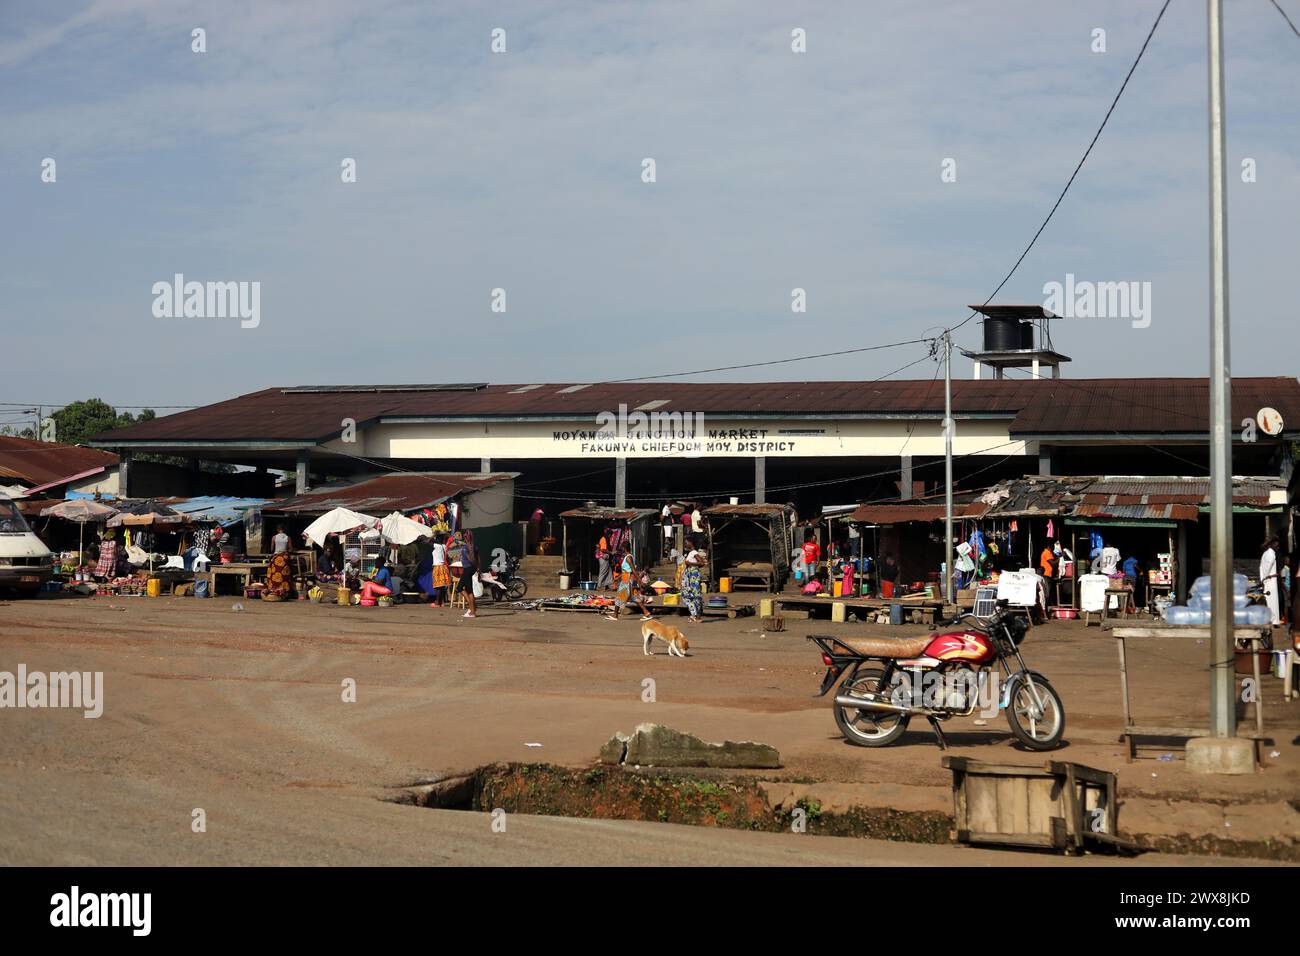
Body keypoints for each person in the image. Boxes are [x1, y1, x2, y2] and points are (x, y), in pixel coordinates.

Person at [606, 540, 653, 621]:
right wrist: (618, 577)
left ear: (624, 548)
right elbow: (626, 570)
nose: (621, 549)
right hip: (626, 578)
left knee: (619, 597)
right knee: (635, 597)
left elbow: (633, 570)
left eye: (622, 547)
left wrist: (640, 581)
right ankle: (646, 613)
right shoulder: (627, 557)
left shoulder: (628, 558)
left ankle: (615, 615)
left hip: (627, 580)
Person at [681, 536, 705, 622]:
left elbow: (702, 563)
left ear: (691, 543)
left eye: (686, 542)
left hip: (693, 575)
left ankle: (697, 616)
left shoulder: (694, 552)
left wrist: (689, 563)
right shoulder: (691, 552)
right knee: (691, 594)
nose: (685, 544)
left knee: (694, 595)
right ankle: (694, 615)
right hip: (691, 575)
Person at [1260, 536, 1281, 627]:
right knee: (1271, 600)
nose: (1278, 546)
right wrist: (1264, 579)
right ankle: (1273, 621)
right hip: (1269, 580)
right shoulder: (1270, 554)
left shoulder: (1268, 553)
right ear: (1271, 544)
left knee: (1271, 601)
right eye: (1276, 544)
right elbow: (1266, 569)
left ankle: (1273, 620)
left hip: (1269, 580)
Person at [460, 530, 479, 619]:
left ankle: (472, 611)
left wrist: (474, 564)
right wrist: (478, 569)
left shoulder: (465, 548)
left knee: (469, 590)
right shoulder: (475, 546)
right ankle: (472, 607)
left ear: (466, 538)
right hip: (472, 569)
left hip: (467, 569)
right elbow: (479, 559)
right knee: (460, 588)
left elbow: (471, 559)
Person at [429, 535, 451, 607]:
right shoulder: (444, 546)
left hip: (438, 567)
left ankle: (437, 602)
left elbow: (429, 541)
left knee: (438, 586)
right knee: (442, 586)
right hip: (444, 567)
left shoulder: (436, 546)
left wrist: (434, 534)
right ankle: (442, 602)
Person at [1039, 538, 1058, 608]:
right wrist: (1060, 558)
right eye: (1053, 547)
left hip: (1049, 575)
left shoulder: (1049, 553)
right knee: (1047, 592)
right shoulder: (1046, 553)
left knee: (1049, 591)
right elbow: (1052, 563)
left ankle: (1048, 606)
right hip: (1046, 574)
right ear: (1049, 547)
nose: (1053, 549)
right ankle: (1046, 607)